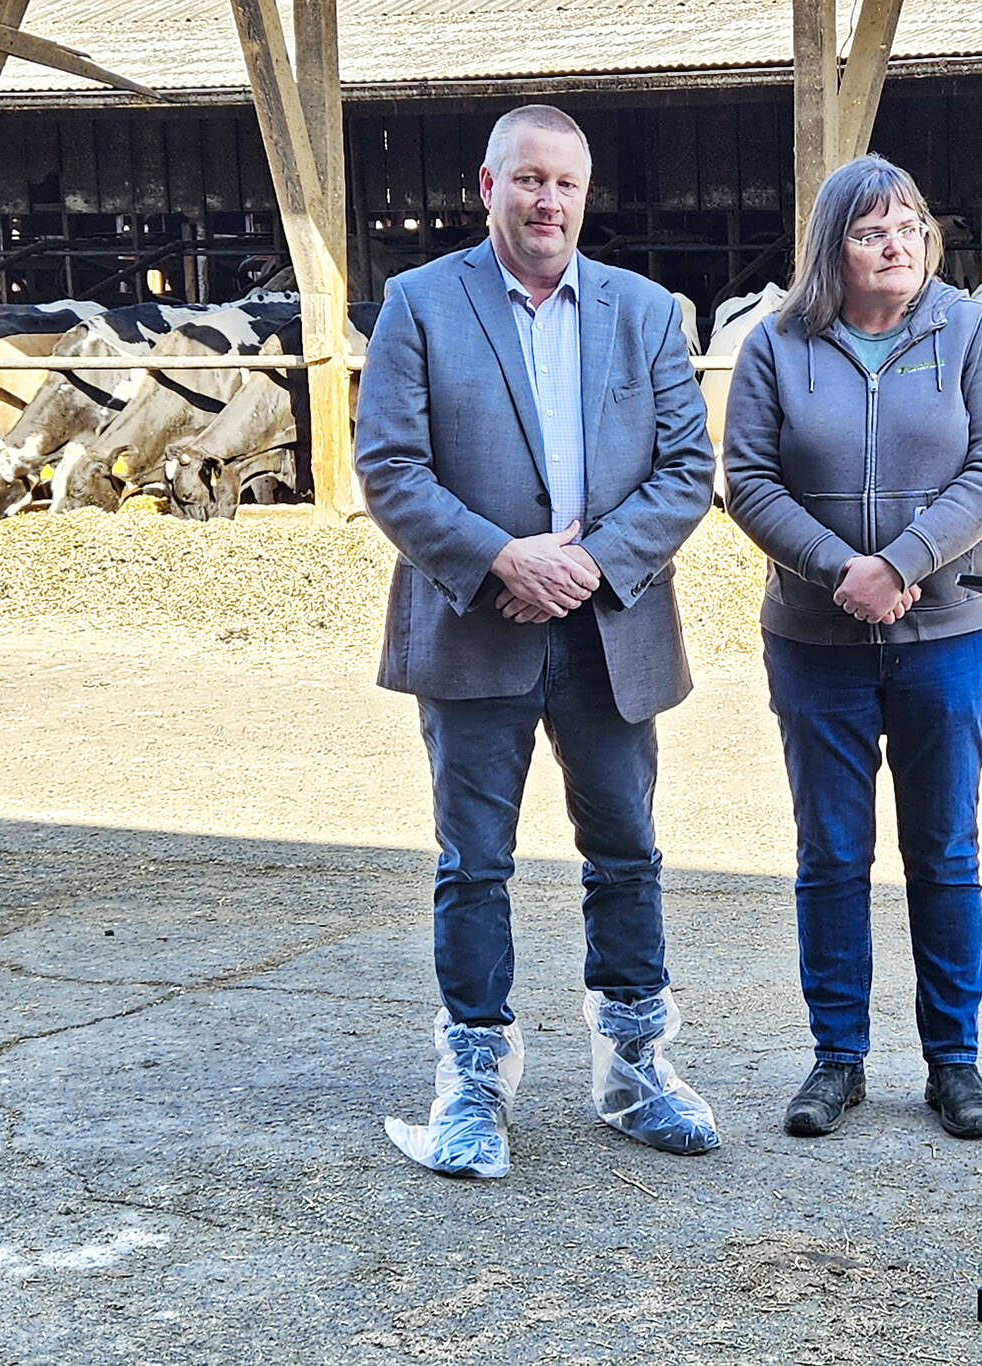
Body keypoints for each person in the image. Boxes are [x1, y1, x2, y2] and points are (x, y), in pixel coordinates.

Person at [359, 104, 720, 1177]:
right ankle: (472, 1080)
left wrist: (588, 563)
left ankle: (634, 1067)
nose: (545, 200)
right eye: (526, 180)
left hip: (611, 625)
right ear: (486, 187)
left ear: (584, 193)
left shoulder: (646, 311)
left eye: (563, 183)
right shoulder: (420, 304)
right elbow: (390, 466)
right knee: (475, 859)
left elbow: (685, 471)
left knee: (626, 849)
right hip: (476, 621)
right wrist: (502, 559)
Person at [723, 155, 982, 1140]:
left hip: (945, 632)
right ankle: (836, 1057)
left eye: (908, 225)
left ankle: (954, 1061)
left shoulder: (974, 333)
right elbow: (750, 480)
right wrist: (835, 568)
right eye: (870, 231)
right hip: (814, 639)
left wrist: (899, 562)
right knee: (831, 851)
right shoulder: (776, 347)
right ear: (833, 250)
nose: (895, 244)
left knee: (943, 848)